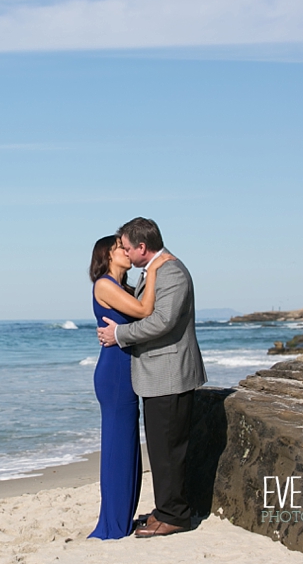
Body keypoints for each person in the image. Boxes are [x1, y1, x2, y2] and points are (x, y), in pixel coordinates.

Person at [97, 217, 207, 538]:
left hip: (170, 374)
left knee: (169, 449)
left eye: (128, 248)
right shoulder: (155, 270)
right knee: (161, 449)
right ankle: (166, 509)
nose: (127, 254)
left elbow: (162, 322)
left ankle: (175, 515)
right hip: (159, 375)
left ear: (142, 247)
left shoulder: (171, 271)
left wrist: (119, 334)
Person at [87, 234, 174, 540]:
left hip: (126, 371)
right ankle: (112, 525)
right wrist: (152, 270)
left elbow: (137, 318)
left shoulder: (122, 286)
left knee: (127, 448)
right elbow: (145, 312)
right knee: (117, 448)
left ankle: (120, 519)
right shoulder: (104, 285)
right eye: (120, 249)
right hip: (114, 375)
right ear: (107, 255)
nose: (126, 252)